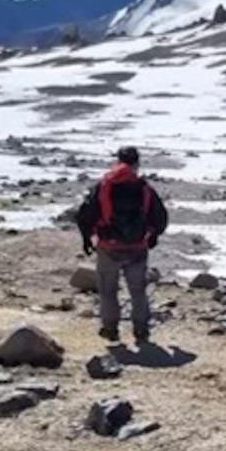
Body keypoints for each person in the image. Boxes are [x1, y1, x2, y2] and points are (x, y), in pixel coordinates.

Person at [76, 146, 168, 345]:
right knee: (138, 290)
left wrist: (86, 238)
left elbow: (84, 215)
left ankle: (110, 329)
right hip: (137, 247)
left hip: (108, 246)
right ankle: (141, 330)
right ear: (137, 163)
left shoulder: (103, 186)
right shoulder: (144, 189)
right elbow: (160, 217)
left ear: (118, 160)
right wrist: (153, 236)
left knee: (108, 290)